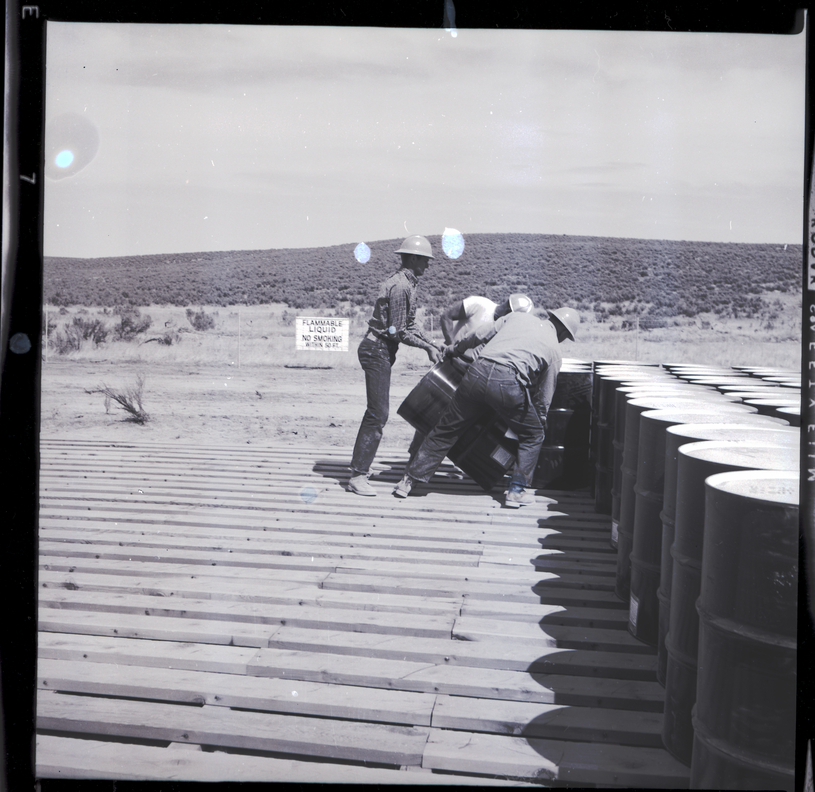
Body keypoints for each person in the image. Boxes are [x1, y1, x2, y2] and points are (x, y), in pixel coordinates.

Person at [393, 306, 580, 508]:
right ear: (564, 332)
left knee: (446, 428)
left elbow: (478, 335)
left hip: (476, 373)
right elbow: (544, 395)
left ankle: (408, 481)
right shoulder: (554, 351)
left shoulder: (517, 317)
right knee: (533, 435)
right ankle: (517, 491)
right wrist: (539, 420)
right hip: (508, 385)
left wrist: (455, 349)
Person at [347, 235, 443, 496]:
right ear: (413, 259)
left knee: (377, 412)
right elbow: (398, 332)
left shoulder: (407, 284)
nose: (428, 265)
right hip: (376, 349)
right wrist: (427, 348)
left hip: (380, 349)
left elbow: (410, 325)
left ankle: (360, 468)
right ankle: (357, 475)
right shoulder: (401, 286)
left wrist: (433, 343)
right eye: (425, 260)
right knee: (378, 414)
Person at [405, 293, 535, 465]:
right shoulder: (479, 304)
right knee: (433, 412)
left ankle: (429, 461)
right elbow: (446, 316)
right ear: (507, 307)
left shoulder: (506, 328)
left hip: (475, 374)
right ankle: (414, 458)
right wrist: (452, 346)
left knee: (456, 421)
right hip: (453, 364)